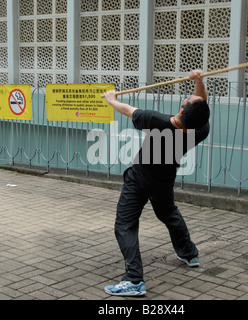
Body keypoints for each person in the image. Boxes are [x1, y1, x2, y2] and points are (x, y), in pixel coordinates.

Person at [103, 69, 210, 297]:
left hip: (140, 179)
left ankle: (133, 280)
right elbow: (201, 104)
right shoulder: (200, 129)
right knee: (168, 213)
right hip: (164, 179)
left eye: (188, 98)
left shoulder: (157, 121)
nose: (192, 95)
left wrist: (111, 99)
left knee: (125, 225)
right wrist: (199, 81)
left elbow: (127, 110)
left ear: (182, 109)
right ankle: (189, 253)